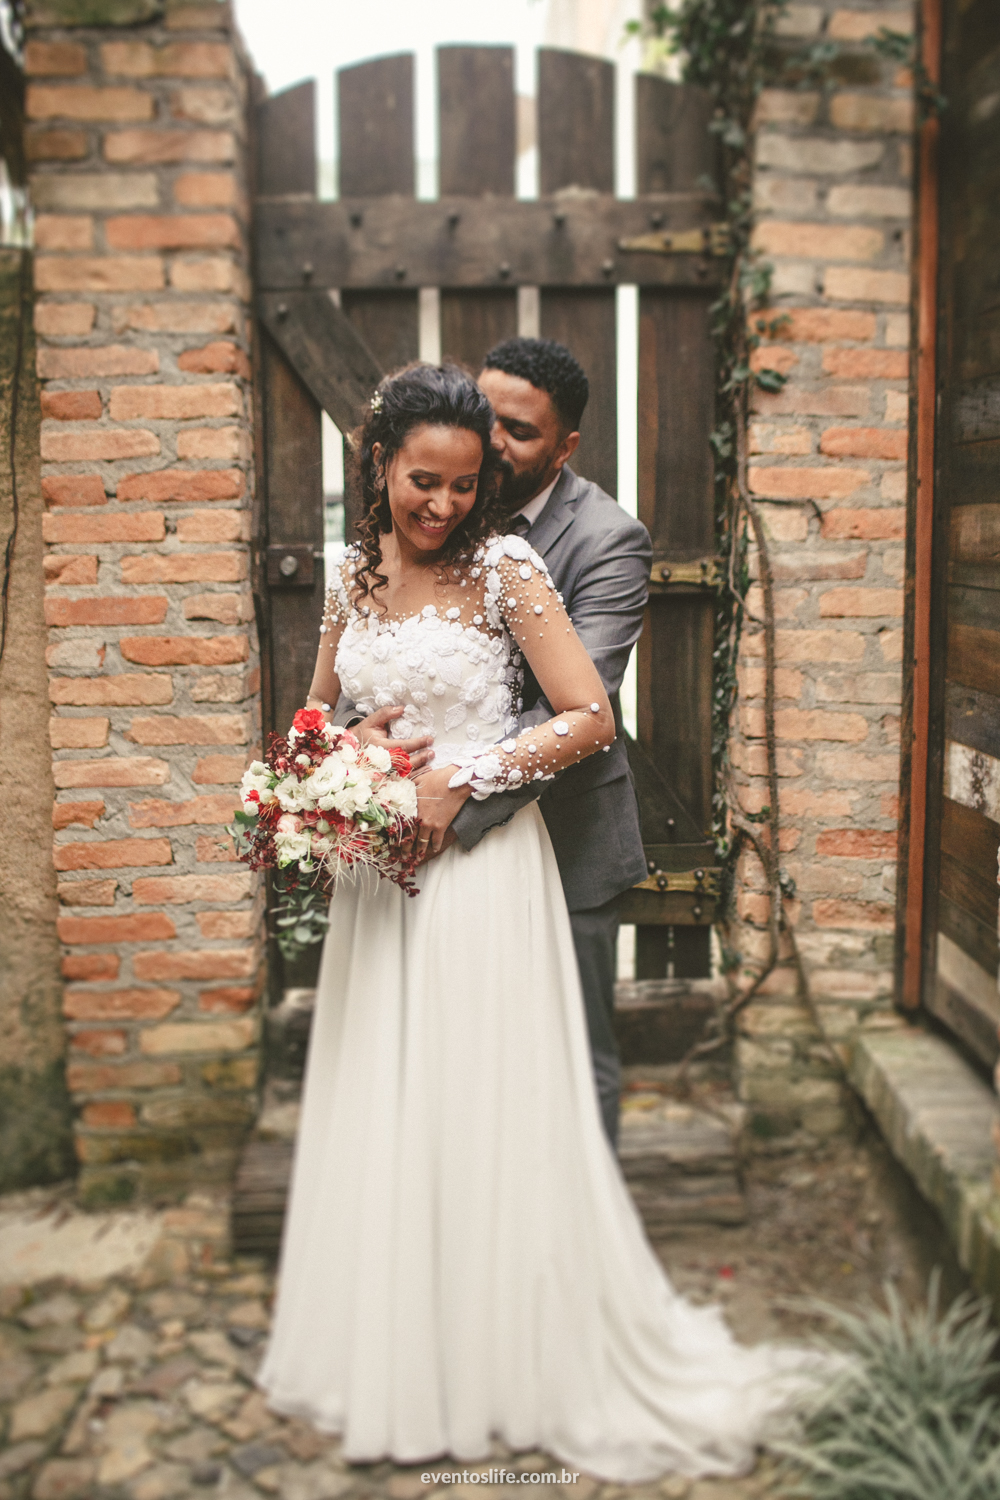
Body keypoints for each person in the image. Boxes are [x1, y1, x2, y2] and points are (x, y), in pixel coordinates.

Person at [257, 362, 821, 1481]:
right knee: (388, 1092)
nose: (442, 505)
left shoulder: (507, 567)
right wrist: (348, 755)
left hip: (480, 874)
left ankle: (508, 1352)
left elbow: (587, 716)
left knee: (483, 1097)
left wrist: (460, 778)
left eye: (464, 485)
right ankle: (403, 1344)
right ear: (379, 463)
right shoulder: (348, 572)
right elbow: (319, 713)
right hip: (383, 882)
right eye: (423, 481)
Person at [338, 337, 651, 1145]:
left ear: (564, 447)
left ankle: (571, 1214)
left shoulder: (603, 539)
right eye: (488, 419)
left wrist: (455, 788)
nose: (495, 442)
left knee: (568, 1060)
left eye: (518, 430)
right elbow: (362, 677)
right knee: (427, 1063)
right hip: (407, 850)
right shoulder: (394, 533)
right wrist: (352, 749)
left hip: (561, 838)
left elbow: (573, 702)